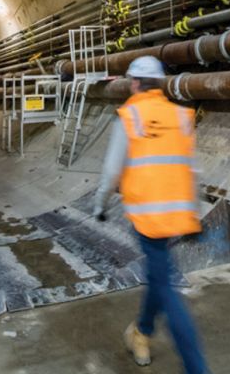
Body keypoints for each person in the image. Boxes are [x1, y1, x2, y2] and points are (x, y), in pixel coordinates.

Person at [93, 55, 208, 373]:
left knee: (167, 289)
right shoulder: (181, 116)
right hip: (178, 215)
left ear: (133, 83)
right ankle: (141, 332)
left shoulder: (130, 116)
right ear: (159, 83)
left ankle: (196, 367)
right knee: (160, 277)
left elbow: (112, 170)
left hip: (146, 217)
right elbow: (192, 168)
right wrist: (195, 213)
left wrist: (100, 206)